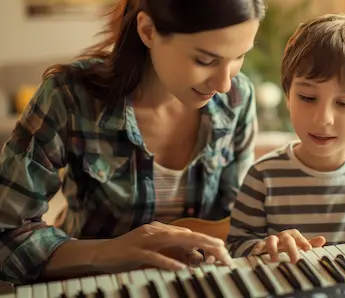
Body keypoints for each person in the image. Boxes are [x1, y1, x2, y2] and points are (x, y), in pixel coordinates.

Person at [0, 0, 266, 285]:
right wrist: (111, 251)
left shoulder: (237, 99)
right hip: (93, 283)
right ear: (148, 31)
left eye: (239, 57)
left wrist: (267, 238)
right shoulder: (69, 97)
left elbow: (238, 222)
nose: (224, 83)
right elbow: (7, 236)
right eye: (205, 60)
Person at [226, 13, 345, 263]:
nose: (322, 118)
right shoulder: (263, 176)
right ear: (288, 96)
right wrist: (263, 247)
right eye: (307, 97)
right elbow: (235, 247)